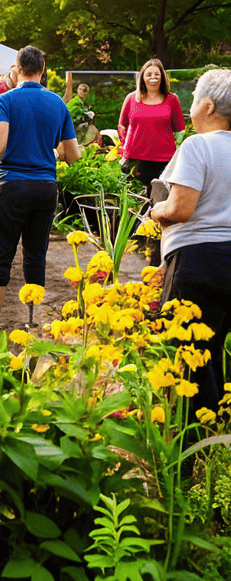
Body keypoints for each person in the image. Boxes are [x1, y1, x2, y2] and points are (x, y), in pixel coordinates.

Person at [0, 46, 80, 336]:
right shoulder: (58, 104)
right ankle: (31, 321)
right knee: (35, 255)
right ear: (42, 69)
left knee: (0, 255)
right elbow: (72, 154)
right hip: (45, 188)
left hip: (13, 184)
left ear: (17, 68)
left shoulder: (4, 100)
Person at [150, 68, 231, 413]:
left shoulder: (197, 145)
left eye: (194, 101)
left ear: (209, 106)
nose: (189, 108)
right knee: (213, 352)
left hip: (198, 263)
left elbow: (180, 209)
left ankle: (189, 449)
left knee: (187, 356)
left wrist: (156, 211)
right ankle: (217, 441)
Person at [119, 58, 185, 192]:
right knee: (134, 202)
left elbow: (179, 128)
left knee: (161, 201)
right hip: (135, 160)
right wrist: (126, 149)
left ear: (162, 77)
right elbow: (121, 127)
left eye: (156, 74)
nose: (153, 77)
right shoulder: (131, 99)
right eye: (148, 74)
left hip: (164, 161)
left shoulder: (172, 100)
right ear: (142, 78)